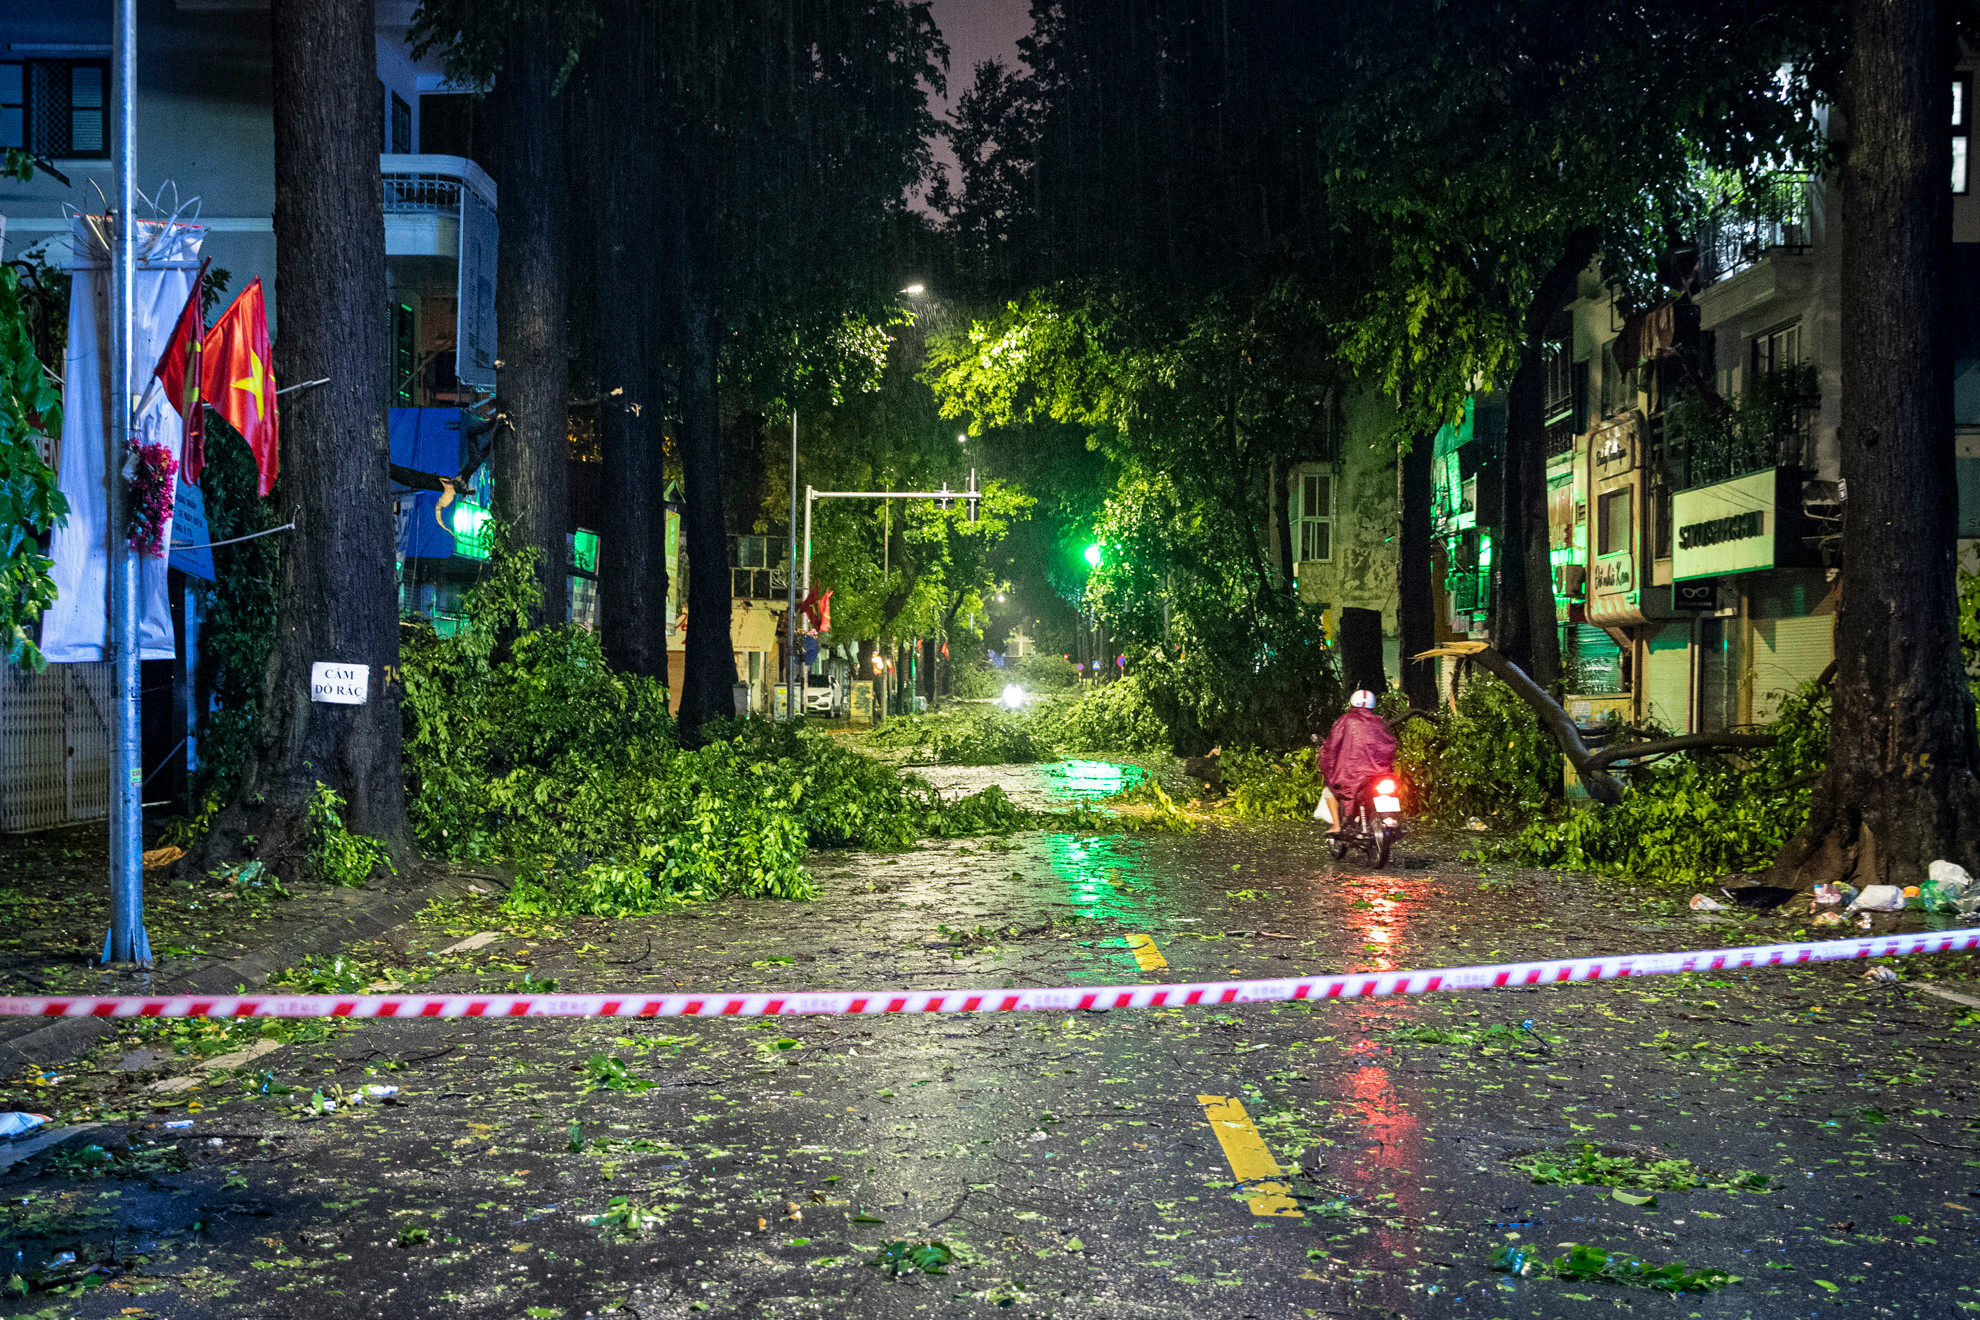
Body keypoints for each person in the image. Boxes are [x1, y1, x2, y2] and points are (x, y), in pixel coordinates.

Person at [1318, 689, 1397, 829]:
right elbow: (1390, 747)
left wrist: (1327, 767)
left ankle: (1336, 826)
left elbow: (1331, 747)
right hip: (1379, 774)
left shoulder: (1345, 720)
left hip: (1350, 775)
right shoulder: (1380, 723)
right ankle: (1388, 817)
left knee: (1329, 790)